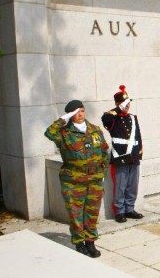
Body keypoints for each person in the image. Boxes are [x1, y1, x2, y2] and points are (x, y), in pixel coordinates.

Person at [44, 100, 110, 258]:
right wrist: (63, 119)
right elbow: (49, 133)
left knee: (92, 212)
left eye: (82, 111)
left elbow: (104, 151)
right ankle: (79, 242)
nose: (80, 114)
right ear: (70, 115)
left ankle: (90, 242)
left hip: (94, 180)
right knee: (75, 213)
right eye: (76, 112)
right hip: (73, 181)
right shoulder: (64, 133)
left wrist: (102, 169)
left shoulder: (95, 130)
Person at [101, 85, 144, 223]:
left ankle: (129, 209)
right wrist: (118, 109)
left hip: (133, 155)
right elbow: (105, 119)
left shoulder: (132, 117)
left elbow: (138, 135)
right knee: (121, 185)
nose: (127, 106)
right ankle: (119, 211)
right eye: (124, 103)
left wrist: (139, 153)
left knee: (132, 184)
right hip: (120, 156)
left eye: (128, 103)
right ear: (117, 104)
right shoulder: (112, 118)